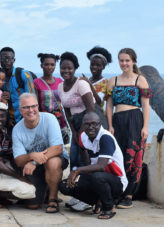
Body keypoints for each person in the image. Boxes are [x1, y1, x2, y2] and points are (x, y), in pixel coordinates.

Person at [59, 111, 128, 219]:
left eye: (94, 124)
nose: (91, 127)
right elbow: (87, 161)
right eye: (87, 124)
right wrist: (81, 177)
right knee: (65, 185)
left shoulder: (105, 138)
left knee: (97, 176)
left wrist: (77, 170)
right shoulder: (83, 137)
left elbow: (101, 166)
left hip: (116, 181)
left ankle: (108, 207)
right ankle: (97, 201)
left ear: (100, 124)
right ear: (82, 125)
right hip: (98, 178)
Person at [106, 48, 151, 209]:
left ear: (133, 61)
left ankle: (129, 195)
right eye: (121, 60)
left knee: (133, 156)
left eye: (127, 60)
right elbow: (109, 105)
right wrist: (110, 125)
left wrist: (145, 127)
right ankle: (118, 191)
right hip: (117, 121)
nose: (124, 63)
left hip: (134, 119)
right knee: (117, 156)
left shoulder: (141, 80)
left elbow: (146, 106)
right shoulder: (113, 81)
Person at [12, 93, 69, 213]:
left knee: (52, 163)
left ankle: (53, 198)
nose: (31, 110)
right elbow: (18, 160)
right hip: (35, 168)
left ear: (38, 106)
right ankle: (45, 189)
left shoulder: (49, 119)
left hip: (55, 160)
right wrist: (32, 155)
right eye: (26, 107)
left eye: (34, 106)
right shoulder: (17, 129)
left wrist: (34, 161)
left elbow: (58, 148)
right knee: (33, 206)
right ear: (20, 110)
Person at [57, 51, 96, 211]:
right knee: (75, 160)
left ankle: (89, 199)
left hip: (90, 124)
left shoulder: (81, 84)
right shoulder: (60, 86)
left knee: (87, 161)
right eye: (63, 68)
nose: (66, 71)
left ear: (75, 68)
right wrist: (73, 131)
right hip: (75, 124)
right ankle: (78, 193)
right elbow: (66, 110)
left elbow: (91, 109)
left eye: (69, 68)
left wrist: (81, 133)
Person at [34, 53, 70, 144]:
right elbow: (36, 105)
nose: (49, 67)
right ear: (41, 66)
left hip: (60, 122)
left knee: (62, 148)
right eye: (46, 64)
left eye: (52, 64)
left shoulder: (60, 81)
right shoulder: (36, 82)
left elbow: (66, 102)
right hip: (44, 122)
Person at [0, 47, 36, 124]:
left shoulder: (24, 74)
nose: (6, 61)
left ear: (14, 60)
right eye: (4, 58)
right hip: (9, 120)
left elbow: (31, 98)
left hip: (25, 118)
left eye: (9, 58)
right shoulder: (0, 79)